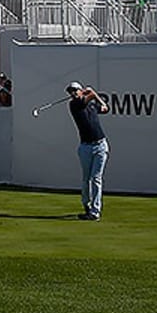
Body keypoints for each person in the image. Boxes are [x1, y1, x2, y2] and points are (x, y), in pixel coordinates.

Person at [66, 82, 110, 221]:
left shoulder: (90, 104)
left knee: (96, 178)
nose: (72, 93)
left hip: (101, 145)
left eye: (75, 91)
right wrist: (90, 91)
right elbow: (91, 95)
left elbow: (105, 108)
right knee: (86, 179)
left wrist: (99, 100)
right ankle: (87, 205)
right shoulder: (74, 105)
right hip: (85, 147)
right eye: (70, 92)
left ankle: (95, 212)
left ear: (80, 90)